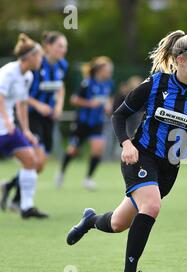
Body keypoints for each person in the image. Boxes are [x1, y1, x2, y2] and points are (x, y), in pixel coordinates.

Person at [65, 30, 187, 272]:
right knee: (152, 206)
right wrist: (126, 144)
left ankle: (90, 220)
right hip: (140, 155)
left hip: (169, 168)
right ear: (180, 60)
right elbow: (118, 116)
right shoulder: (155, 84)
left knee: (118, 223)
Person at [1, 31, 68, 211]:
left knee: (36, 164)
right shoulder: (25, 68)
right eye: (60, 46)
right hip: (31, 117)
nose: (63, 50)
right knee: (34, 161)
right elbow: (18, 97)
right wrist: (38, 106)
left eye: (65, 47)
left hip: (45, 120)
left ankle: (16, 195)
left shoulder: (59, 66)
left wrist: (58, 107)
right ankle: (19, 200)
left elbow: (60, 88)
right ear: (47, 47)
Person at [0, 33, 48, 218]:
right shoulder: (8, 72)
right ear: (30, 57)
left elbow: (21, 104)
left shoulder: (27, 76)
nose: (41, 60)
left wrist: (26, 130)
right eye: (39, 56)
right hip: (4, 127)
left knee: (31, 160)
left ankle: (26, 208)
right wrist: (6, 119)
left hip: (9, 128)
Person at [56, 56, 114, 190]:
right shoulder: (87, 83)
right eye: (108, 69)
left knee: (98, 149)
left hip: (97, 122)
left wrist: (108, 106)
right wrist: (89, 103)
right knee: (73, 150)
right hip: (82, 122)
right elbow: (74, 99)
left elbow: (109, 99)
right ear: (99, 70)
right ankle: (61, 172)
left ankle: (88, 179)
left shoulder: (108, 84)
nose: (110, 72)